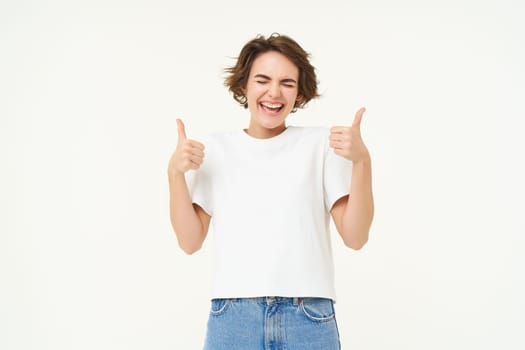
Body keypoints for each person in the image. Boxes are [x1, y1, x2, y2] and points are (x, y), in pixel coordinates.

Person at [167, 33, 374, 350]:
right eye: (262, 80)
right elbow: (189, 241)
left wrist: (362, 161)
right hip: (234, 317)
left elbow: (356, 237)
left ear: (299, 92)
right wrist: (175, 174)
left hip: (308, 316)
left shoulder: (322, 145)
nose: (274, 93)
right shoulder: (215, 149)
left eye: (287, 83)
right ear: (243, 86)